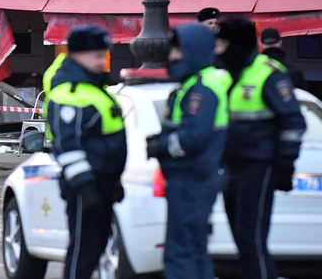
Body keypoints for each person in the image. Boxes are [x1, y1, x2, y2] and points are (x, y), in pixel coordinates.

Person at [216, 19, 306, 279]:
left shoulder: (269, 74)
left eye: (222, 44)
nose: (218, 50)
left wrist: (286, 164)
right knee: (241, 238)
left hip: (259, 165)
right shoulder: (226, 75)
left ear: (239, 45)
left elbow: (293, 122)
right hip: (230, 167)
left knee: (251, 239)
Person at [146, 24, 231, 279]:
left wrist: (161, 146)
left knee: (181, 254)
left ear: (193, 51)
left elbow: (192, 137)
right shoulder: (195, 84)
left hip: (192, 180)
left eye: (178, 51)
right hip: (192, 180)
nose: (172, 57)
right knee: (193, 251)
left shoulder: (201, 89)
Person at [46, 26, 126, 279]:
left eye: (104, 55)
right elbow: (67, 146)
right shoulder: (69, 94)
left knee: (95, 250)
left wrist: (112, 181)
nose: (103, 61)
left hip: (101, 184)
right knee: (83, 254)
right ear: (78, 56)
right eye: (97, 56)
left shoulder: (92, 89)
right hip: (85, 188)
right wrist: (85, 186)